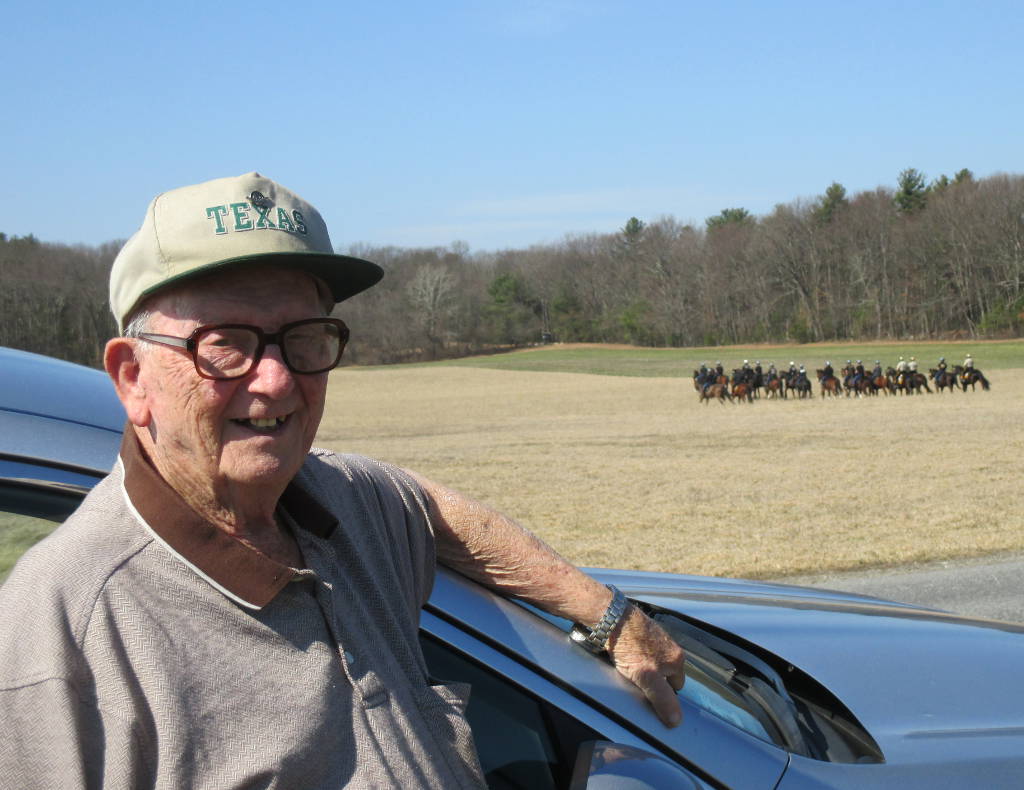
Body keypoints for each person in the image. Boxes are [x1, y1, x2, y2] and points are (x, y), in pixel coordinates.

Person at [0, 173, 685, 788]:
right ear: (132, 377)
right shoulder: (67, 629)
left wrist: (607, 613)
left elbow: (440, 512)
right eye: (226, 345)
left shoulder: (340, 502)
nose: (276, 379)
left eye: (304, 337)